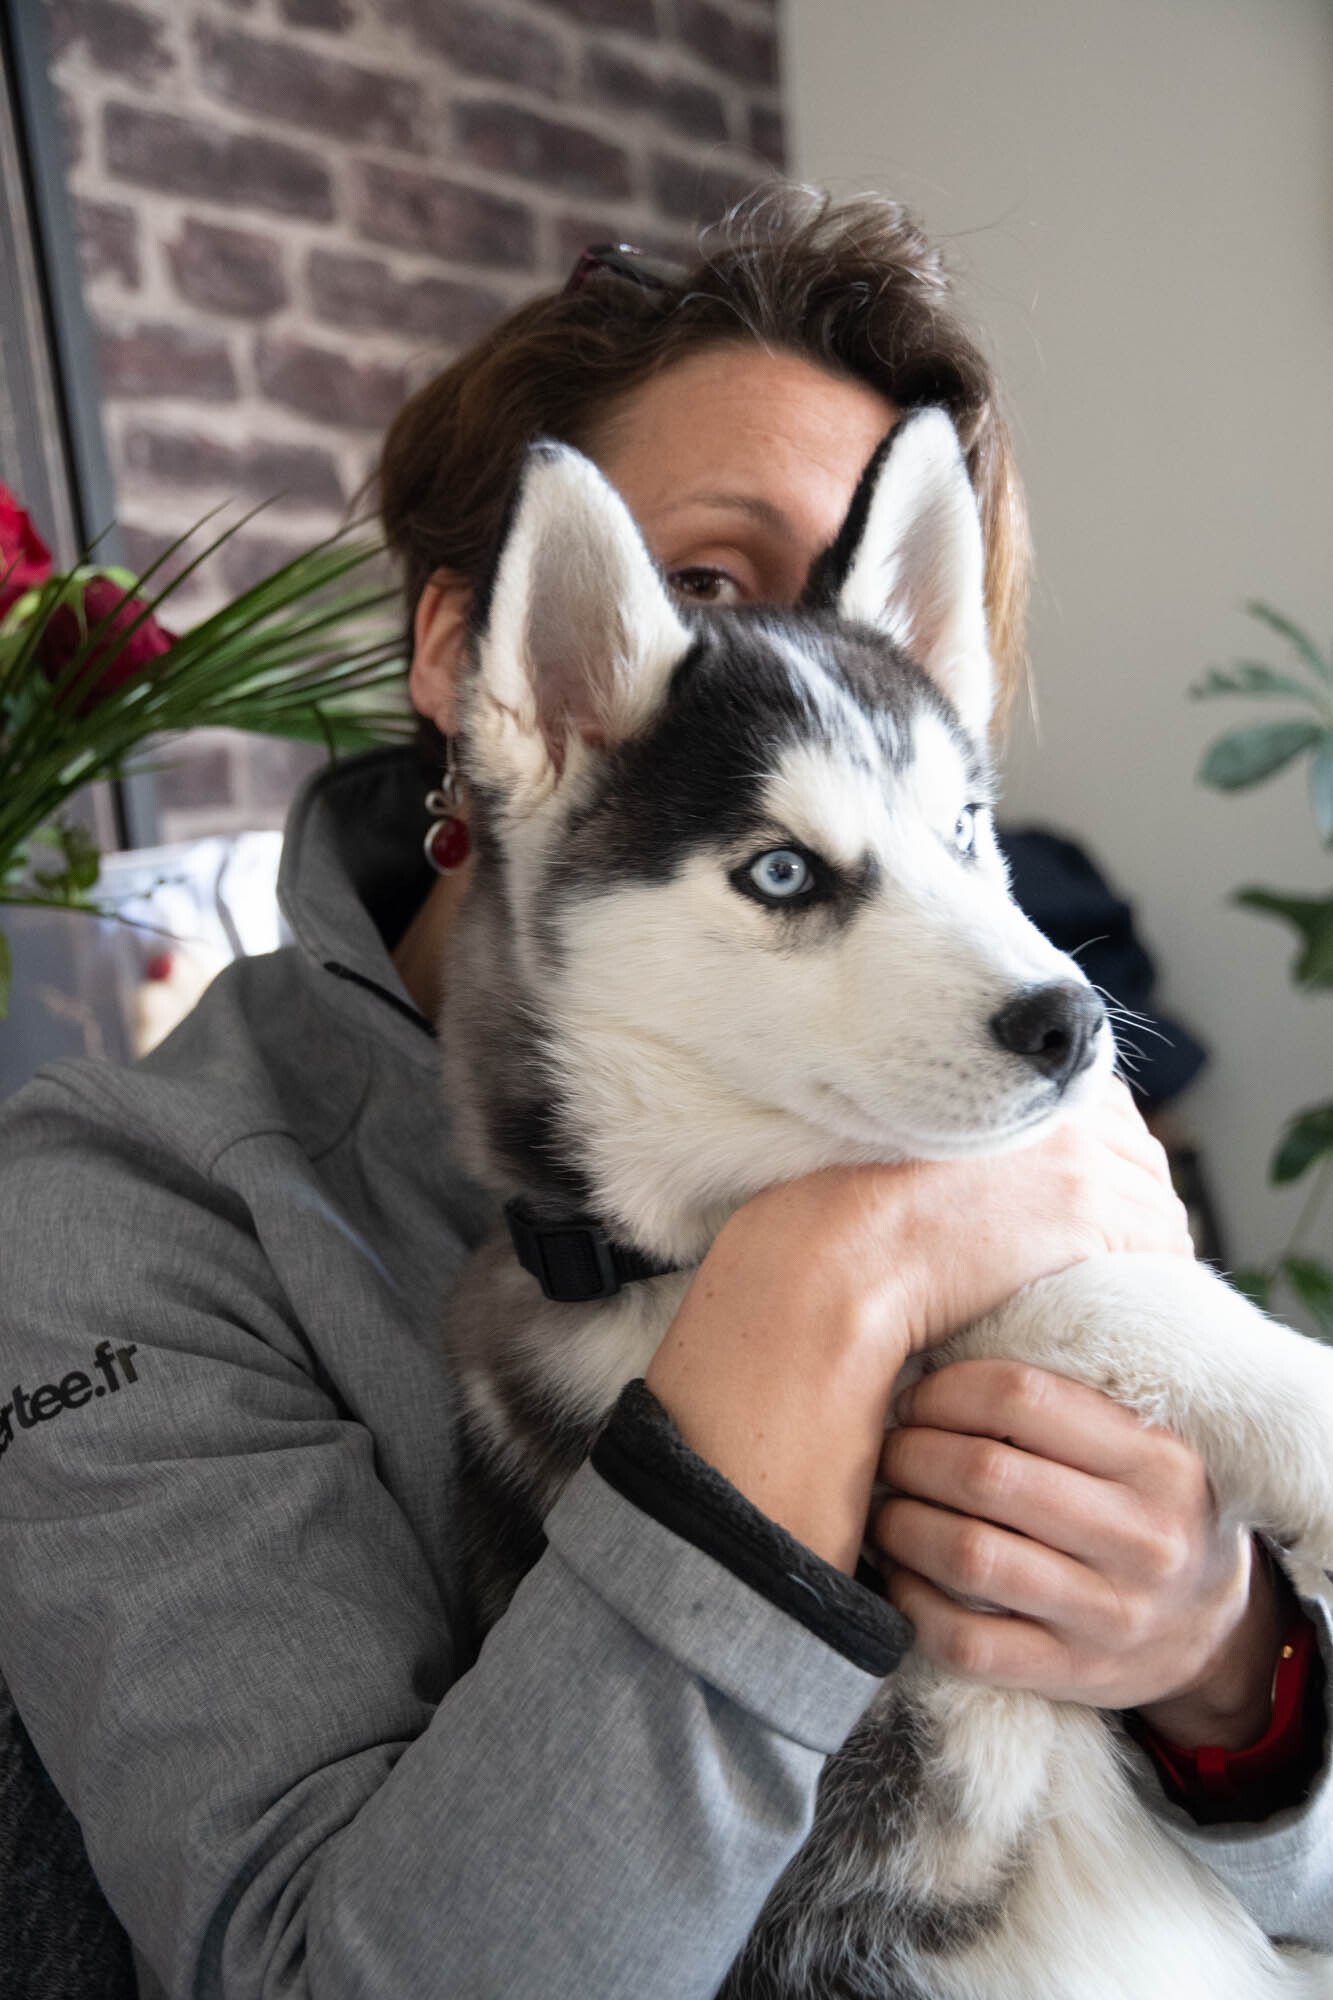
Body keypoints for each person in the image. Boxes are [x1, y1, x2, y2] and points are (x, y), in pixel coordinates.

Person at [0, 186, 1327, 2000]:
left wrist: (1228, 1671)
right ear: (491, 663)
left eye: (880, 634)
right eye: (704, 582)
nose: (804, 680)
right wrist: (827, 1289)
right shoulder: (119, 1211)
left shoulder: (970, 1087)